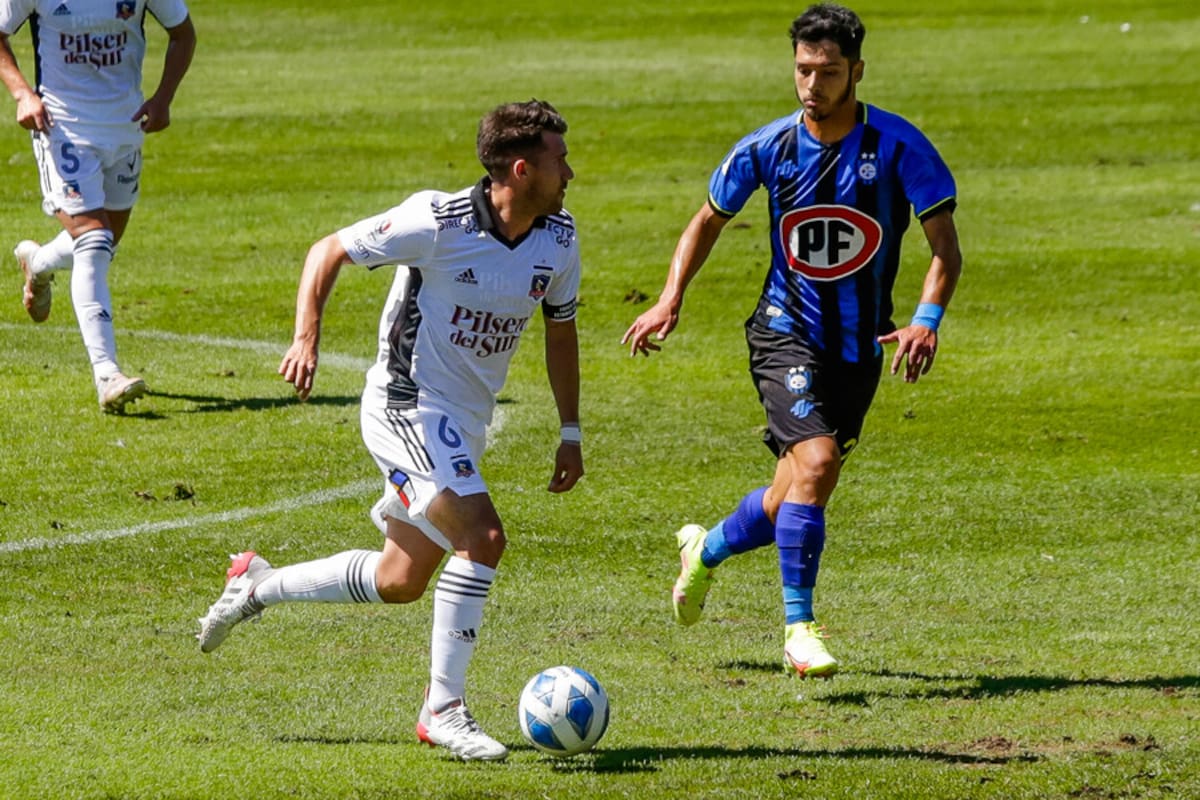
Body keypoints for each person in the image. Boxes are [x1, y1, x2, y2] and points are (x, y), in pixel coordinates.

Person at [197, 100, 583, 762]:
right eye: (559, 159)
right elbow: (329, 250)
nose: (570, 171)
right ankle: (444, 711)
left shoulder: (559, 238)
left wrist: (570, 429)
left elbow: (561, 329)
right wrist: (305, 336)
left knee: (400, 579)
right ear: (521, 170)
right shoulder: (435, 221)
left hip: (464, 423)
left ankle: (255, 585)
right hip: (405, 406)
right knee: (483, 538)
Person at [622, 3, 962, 679]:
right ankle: (799, 628)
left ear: (856, 71)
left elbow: (945, 249)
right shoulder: (768, 147)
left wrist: (926, 320)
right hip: (785, 332)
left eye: (828, 71)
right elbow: (708, 220)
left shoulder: (898, 147)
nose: (813, 84)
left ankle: (707, 549)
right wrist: (670, 296)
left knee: (795, 489)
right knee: (816, 461)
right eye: (804, 69)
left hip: (860, 346)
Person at [0, 0, 195, 413]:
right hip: (61, 127)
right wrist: (22, 94)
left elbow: (183, 33)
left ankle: (37, 263)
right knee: (94, 239)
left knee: (105, 243)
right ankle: (107, 374)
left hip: (125, 127)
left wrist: (163, 98)